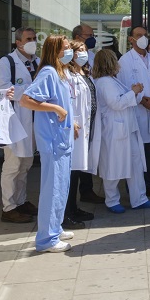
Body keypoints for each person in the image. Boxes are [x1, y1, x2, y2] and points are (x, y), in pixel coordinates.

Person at [20, 34, 76, 253]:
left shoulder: (61, 73)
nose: (70, 51)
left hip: (62, 139)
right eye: (66, 48)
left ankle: (55, 227)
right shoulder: (48, 72)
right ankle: (46, 239)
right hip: (53, 140)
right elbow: (26, 100)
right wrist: (55, 109)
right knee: (52, 188)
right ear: (55, 50)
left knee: (61, 186)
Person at [93, 49, 150, 212]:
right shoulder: (104, 82)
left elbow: (126, 99)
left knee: (135, 164)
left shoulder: (113, 81)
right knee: (113, 165)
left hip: (127, 129)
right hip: (114, 131)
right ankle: (112, 200)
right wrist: (134, 92)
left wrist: (134, 92)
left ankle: (139, 198)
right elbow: (116, 103)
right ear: (110, 63)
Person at [0, 27, 40, 223]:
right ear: (18, 42)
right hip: (14, 120)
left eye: (35, 38)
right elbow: (4, 89)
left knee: (26, 164)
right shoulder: (8, 62)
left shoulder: (36, 61)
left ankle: (21, 201)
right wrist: (32, 90)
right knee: (13, 164)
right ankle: (9, 207)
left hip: (33, 120)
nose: (33, 41)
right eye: (29, 38)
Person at [117, 26, 150, 198]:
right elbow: (126, 87)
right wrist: (147, 102)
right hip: (138, 111)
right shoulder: (124, 61)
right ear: (131, 39)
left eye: (145, 35)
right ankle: (139, 188)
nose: (143, 38)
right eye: (138, 36)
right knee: (140, 152)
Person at [63, 41, 97, 229]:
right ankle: (66, 213)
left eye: (85, 50)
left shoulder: (83, 72)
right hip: (74, 128)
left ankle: (74, 208)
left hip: (85, 127)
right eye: (79, 51)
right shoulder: (67, 75)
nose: (83, 54)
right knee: (69, 173)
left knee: (76, 171)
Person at [71, 24, 104, 204]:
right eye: (88, 35)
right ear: (78, 36)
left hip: (90, 114)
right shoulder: (68, 65)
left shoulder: (91, 57)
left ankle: (87, 190)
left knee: (87, 154)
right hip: (76, 119)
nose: (92, 38)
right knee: (76, 160)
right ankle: (71, 203)